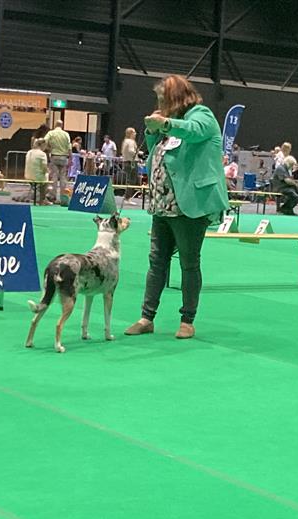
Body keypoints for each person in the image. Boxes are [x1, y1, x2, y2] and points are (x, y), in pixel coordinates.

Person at [124, 74, 229, 339]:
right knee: (156, 263)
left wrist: (166, 123)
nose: (160, 104)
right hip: (162, 206)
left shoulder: (201, 116)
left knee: (189, 263)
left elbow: (191, 132)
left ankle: (187, 320)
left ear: (176, 98)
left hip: (189, 207)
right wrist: (152, 131)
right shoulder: (170, 125)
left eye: (163, 99)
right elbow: (155, 153)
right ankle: (146, 317)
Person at [44, 120, 71, 205]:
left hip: (54, 156)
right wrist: (71, 158)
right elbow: (69, 147)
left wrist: (48, 148)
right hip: (64, 157)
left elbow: (44, 141)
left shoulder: (51, 133)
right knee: (63, 178)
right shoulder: (66, 134)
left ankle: (53, 197)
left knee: (54, 177)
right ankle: (63, 197)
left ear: (55, 125)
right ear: (62, 125)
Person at [25, 138, 50, 205]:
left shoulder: (29, 152)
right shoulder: (42, 154)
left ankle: (41, 198)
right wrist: (48, 171)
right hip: (37, 177)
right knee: (47, 177)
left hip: (27, 176)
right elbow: (44, 168)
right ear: (43, 145)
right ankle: (42, 199)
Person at [121, 127, 138, 204]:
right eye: (134, 132)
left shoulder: (125, 141)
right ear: (130, 133)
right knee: (132, 180)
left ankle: (127, 197)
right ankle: (128, 198)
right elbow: (131, 151)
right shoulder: (131, 141)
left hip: (126, 162)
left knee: (129, 179)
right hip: (131, 162)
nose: (135, 134)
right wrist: (138, 153)